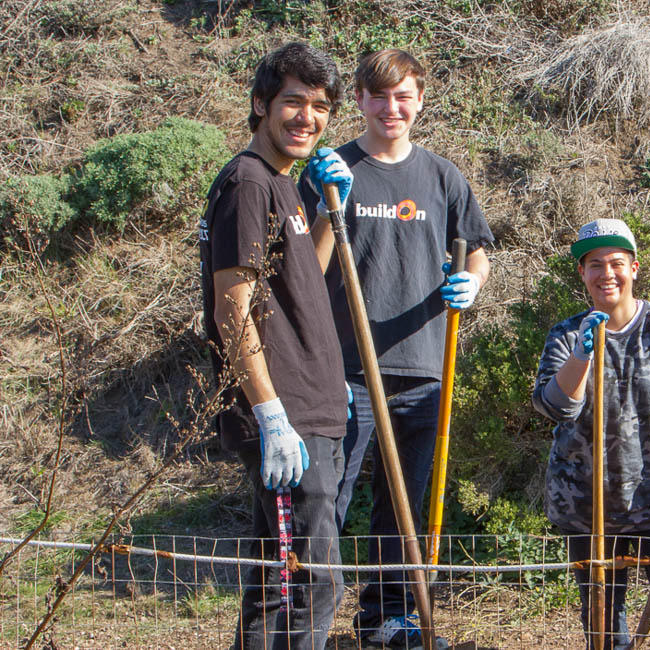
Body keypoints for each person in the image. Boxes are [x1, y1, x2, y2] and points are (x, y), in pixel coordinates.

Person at [297, 49, 493, 649]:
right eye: (378, 96)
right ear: (357, 100)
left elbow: (478, 247)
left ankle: (386, 619)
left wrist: (473, 283)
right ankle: (309, 619)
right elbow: (307, 266)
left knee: (403, 510)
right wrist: (331, 199)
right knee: (328, 500)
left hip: (425, 368)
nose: (391, 108)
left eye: (402, 95)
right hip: (347, 371)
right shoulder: (333, 168)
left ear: (420, 100)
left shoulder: (442, 176)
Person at [198, 41, 351, 650]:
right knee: (314, 584)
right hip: (288, 413)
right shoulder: (247, 182)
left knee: (275, 584)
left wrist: (328, 210)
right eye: (292, 102)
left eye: (319, 106)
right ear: (260, 104)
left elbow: (300, 282)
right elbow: (231, 308)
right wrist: (270, 414)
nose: (306, 118)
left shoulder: (284, 183)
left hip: (313, 405)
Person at [531, 218, 650, 650]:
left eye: (616, 262)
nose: (606, 273)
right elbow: (556, 407)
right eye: (594, 264)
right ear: (582, 273)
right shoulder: (567, 334)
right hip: (586, 505)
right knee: (601, 615)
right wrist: (582, 355)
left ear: (634, 267)